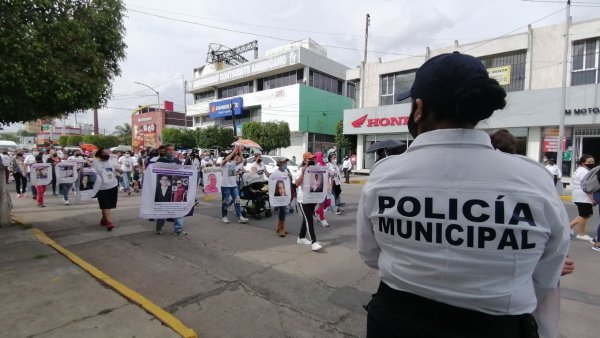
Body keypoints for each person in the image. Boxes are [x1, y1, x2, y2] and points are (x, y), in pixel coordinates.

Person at [357, 52, 569, 338]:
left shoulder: (384, 174)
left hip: (396, 321)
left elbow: (370, 255)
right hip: (497, 328)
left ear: (419, 108)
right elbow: (545, 278)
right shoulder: (535, 180)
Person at [154, 144, 188, 236]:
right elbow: (155, 174)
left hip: (175, 189)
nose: (171, 151)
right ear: (165, 151)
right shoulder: (160, 160)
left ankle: (178, 229)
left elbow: (182, 173)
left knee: (179, 209)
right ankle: (159, 227)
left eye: (172, 150)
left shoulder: (177, 161)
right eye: (169, 150)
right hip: (165, 189)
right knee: (163, 210)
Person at [294, 152, 323, 251]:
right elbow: (297, 184)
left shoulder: (316, 169)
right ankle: (314, 242)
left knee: (306, 219)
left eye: (313, 158)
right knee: (309, 220)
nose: (313, 160)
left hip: (313, 198)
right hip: (304, 199)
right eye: (310, 159)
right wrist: (303, 172)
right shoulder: (301, 170)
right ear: (305, 160)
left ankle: (301, 237)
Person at [92, 147, 122, 231]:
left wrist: (119, 170)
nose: (106, 155)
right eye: (104, 153)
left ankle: (104, 220)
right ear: (100, 155)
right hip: (101, 188)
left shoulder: (112, 162)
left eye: (107, 153)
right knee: (105, 205)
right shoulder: (96, 163)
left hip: (112, 186)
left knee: (108, 206)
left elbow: (120, 171)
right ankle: (109, 223)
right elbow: (92, 173)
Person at [569, 154, 596, 243]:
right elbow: (587, 187)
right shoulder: (584, 172)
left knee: (585, 214)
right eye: (589, 162)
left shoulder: (580, 170)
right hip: (583, 196)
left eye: (592, 161)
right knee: (584, 215)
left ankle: (569, 226)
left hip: (579, 195)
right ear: (583, 163)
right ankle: (581, 234)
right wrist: (592, 198)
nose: (592, 163)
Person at [220, 146, 249, 224]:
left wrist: (240, 151)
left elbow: (242, 160)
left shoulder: (233, 163)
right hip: (225, 186)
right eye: (234, 156)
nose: (236, 158)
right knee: (225, 202)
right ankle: (224, 217)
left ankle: (240, 217)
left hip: (233, 185)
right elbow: (226, 159)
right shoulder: (223, 164)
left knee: (237, 200)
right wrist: (234, 151)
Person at [272, 158, 292, 237]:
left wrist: (290, 176)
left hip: (286, 193)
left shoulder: (287, 171)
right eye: (284, 163)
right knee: (283, 210)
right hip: (279, 194)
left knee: (283, 210)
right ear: (279, 164)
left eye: (286, 162)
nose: (285, 164)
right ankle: (281, 228)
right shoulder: (276, 172)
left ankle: (280, 226)